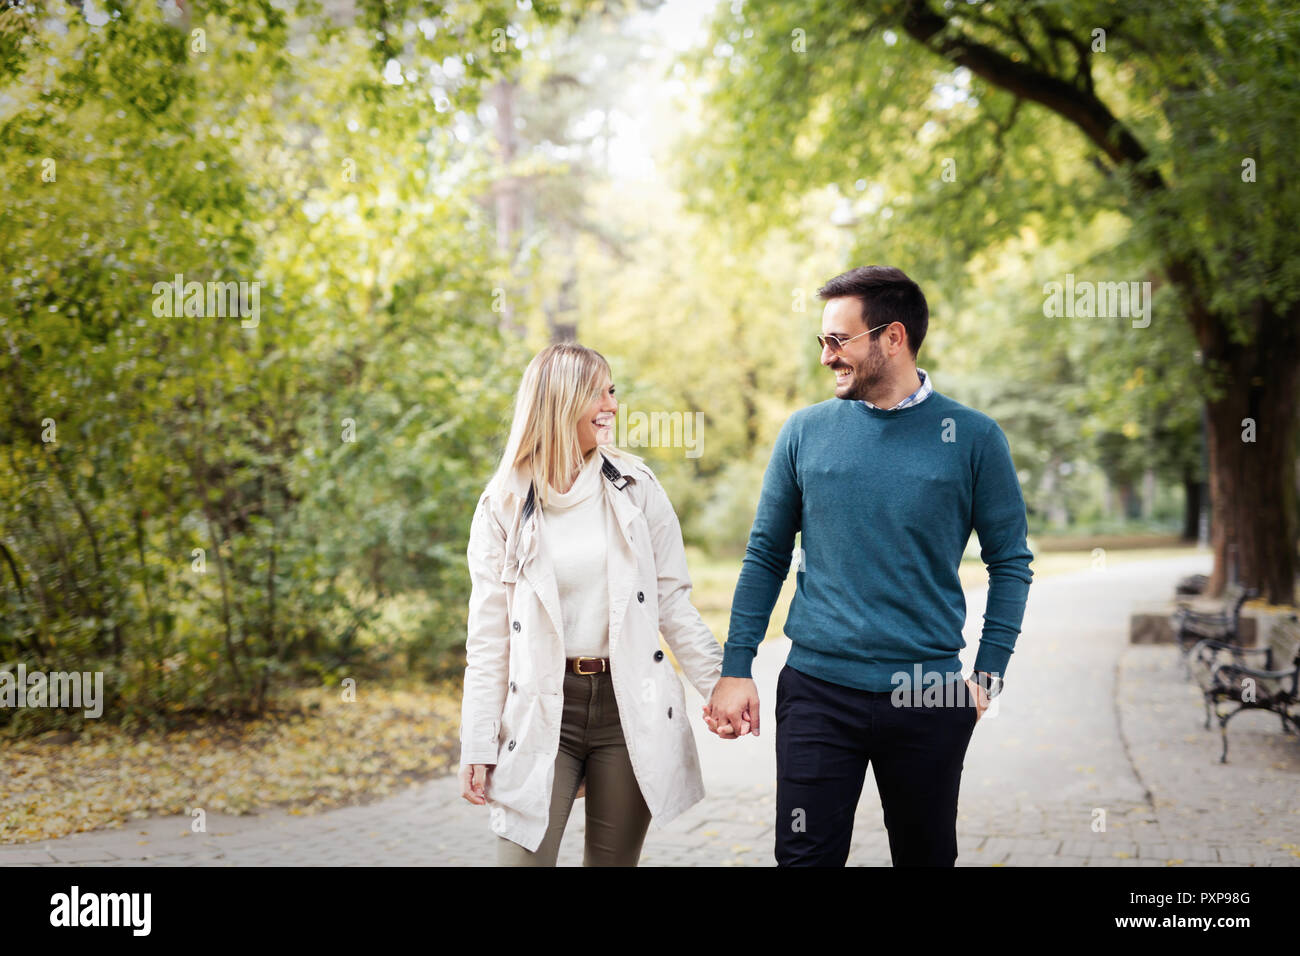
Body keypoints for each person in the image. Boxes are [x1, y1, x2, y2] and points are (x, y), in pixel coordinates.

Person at [705, 265, 1034, 866]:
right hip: (816, 690)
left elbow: (1010, 561)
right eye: (823, 341)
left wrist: (988, 673)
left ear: (893, 337)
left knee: (926, 855)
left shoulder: (974, 438)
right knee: (804, 858)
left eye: (839, 340)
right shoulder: (805, 433)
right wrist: (736, 666)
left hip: (928, 693)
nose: (828, 357)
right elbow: (765, 555)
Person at [458, 343, 724, 866]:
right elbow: (488, 639)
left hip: (628, 708)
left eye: (613, 391)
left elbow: (672, 601)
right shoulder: (503, 504)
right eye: (598, 392)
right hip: (541, 709)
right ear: (560, 400)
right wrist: (477, 742)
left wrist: (719, 685)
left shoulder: (637, 487)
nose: (612, 405)